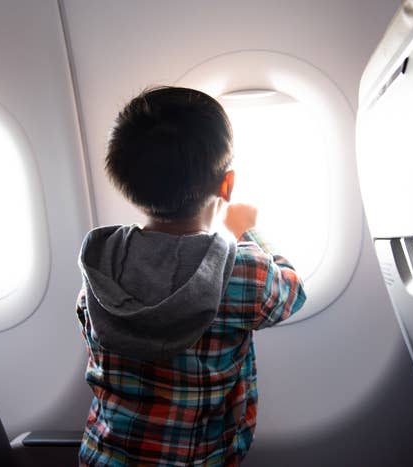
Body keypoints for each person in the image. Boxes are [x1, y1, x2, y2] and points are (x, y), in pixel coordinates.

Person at [76, 86, 306, 466]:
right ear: (226, 185)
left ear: (125, 181)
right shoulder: (241, 270)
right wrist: (245, 230)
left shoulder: (102, 262)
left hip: (102, 457)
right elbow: (292, 293)